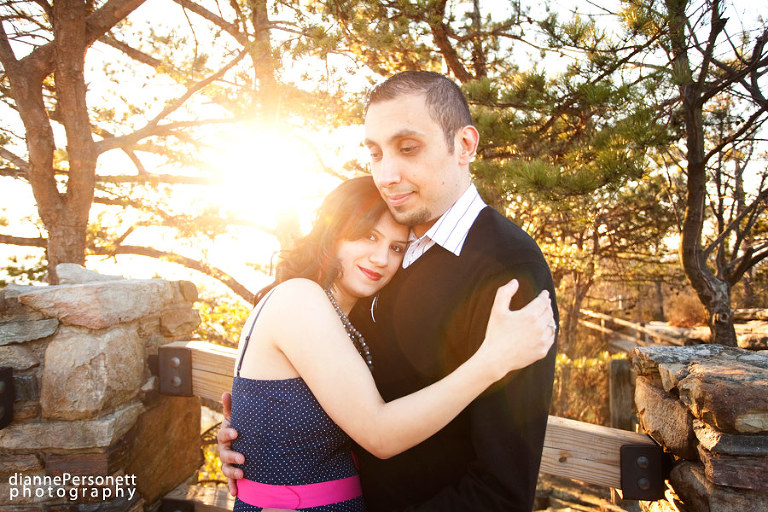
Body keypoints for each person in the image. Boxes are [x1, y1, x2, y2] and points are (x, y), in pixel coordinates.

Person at [221, 71, 559, 512]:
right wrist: (262, 442)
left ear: (465, 146)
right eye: (376, 153)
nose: (387, 174)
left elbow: (501, 490)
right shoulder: (387, 257)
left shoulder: (509, 270)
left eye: (408, 148)